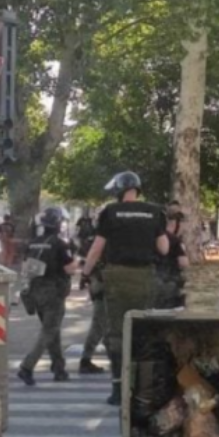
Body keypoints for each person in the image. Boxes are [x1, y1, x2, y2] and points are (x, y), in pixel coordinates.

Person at [82, 171, 169, 406]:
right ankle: (143, 388)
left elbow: (97, 248)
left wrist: (86, 273)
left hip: (117, 276)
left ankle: (117, 388)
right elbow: (164, 248)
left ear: (120, 190)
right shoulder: (155, 212)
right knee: (143, 330)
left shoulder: (110, 212)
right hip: (145, 277)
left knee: (116, 334)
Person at [17, 207, 79, 386]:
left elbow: (26, 268)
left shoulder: (32, 243)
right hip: (53, 292)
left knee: (52, 329)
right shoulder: (60, 244)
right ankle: (27, 367)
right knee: (49, 331)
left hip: (36, 291)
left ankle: (59, 369)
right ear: (58, 223)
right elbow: (70, 269)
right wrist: (78, 259)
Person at [154, 212, 189, 309]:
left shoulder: (150, 236)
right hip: (169, 280)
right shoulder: (174, 239)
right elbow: (184, 263)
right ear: (175, 223)